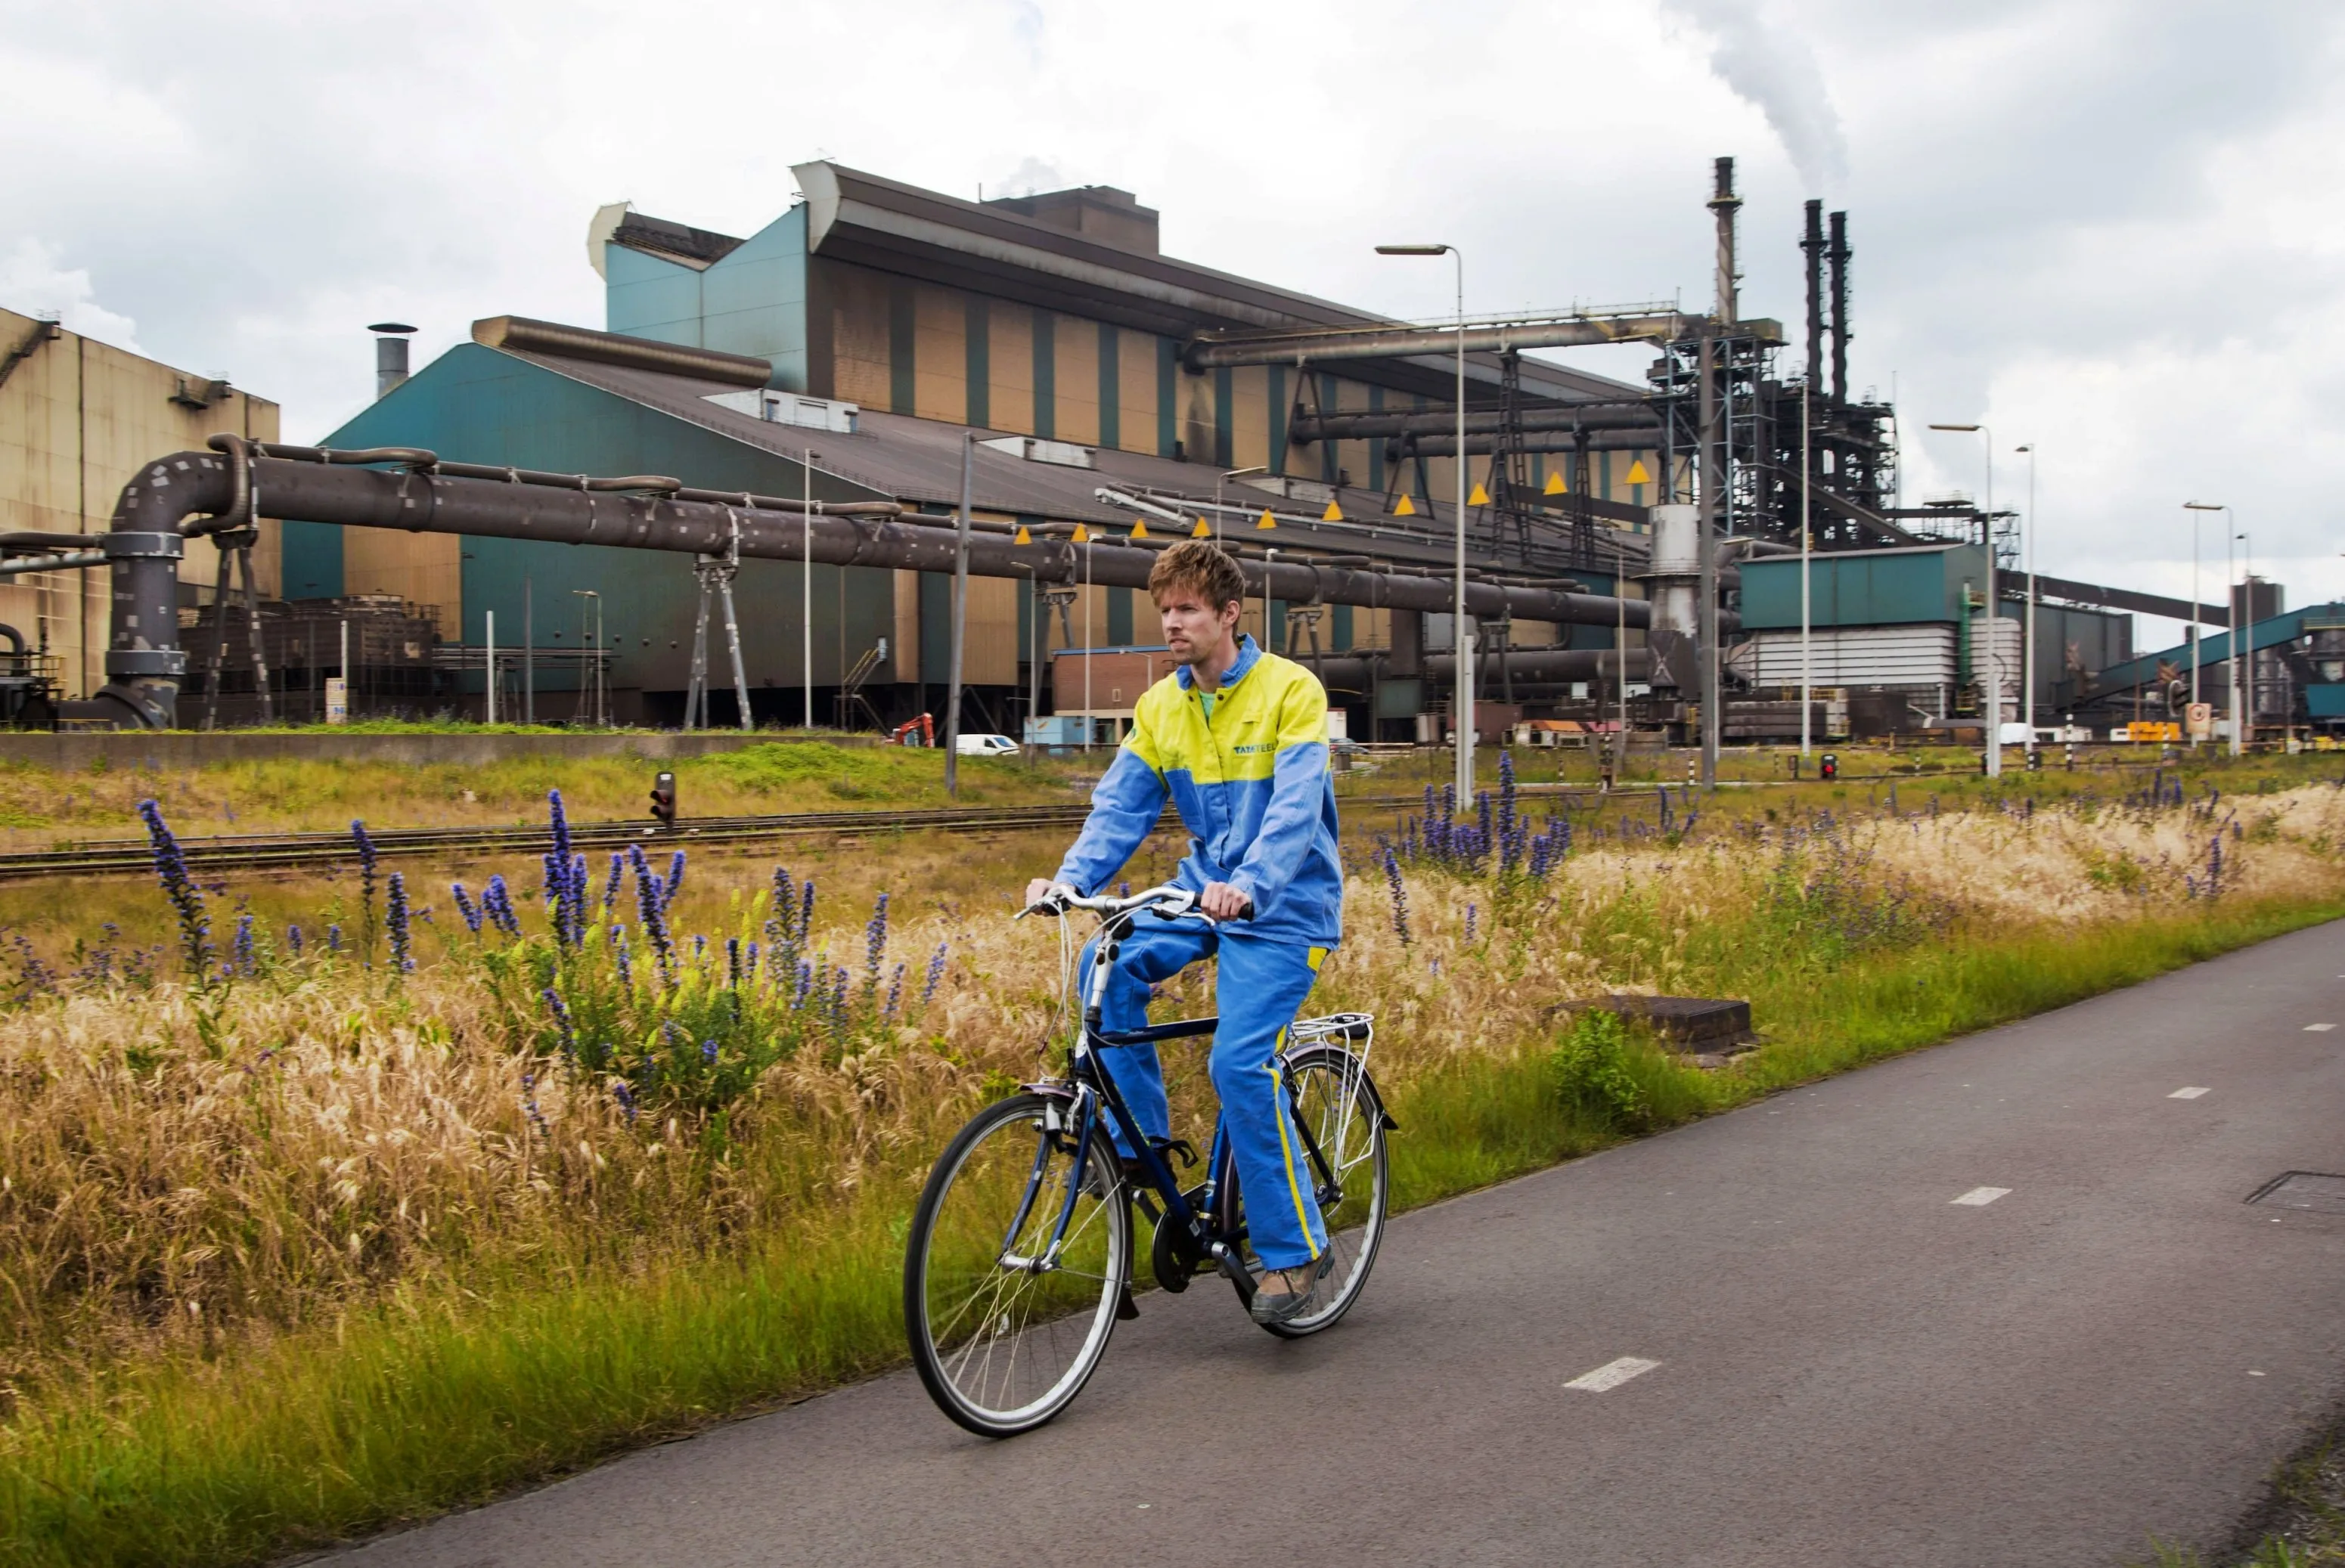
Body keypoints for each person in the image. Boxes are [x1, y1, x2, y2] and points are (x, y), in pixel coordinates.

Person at [1026, 538, 1345, 1325]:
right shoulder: (1161, 705)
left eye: (1187, 609)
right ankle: (1143, 1157)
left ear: (1229, 613)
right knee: (1108, 966)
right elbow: (1121, 806)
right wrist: (1071, 881)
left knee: (1236, 1063)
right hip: (1203, 890)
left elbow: (1295, 811)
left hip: (1284, 905)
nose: (1171, 622)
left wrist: (1254, 884)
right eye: (1164, 609)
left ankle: (1295, 1247)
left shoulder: (1289, 691)